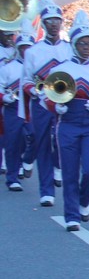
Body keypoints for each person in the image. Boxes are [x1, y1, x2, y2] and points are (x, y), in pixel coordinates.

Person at [44, 11, 89, 231]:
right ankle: (71, 215)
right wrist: (57, 106)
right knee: (70, 171)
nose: (86, 47)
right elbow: (47, 98)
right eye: (82, 43)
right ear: (74, 44)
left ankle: (84, 201)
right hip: (68, 124)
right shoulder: (60, 69)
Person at [21, 0, 73, 205]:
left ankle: (59, 167)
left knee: (62, 142)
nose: (53, 25)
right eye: (49, 21)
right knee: (43, 143)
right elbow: (25, 80)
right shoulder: (33, 52)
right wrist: (35, 91)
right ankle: (46, 190)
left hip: (67, 103)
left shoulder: (70, 49)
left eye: (56, 20)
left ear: (61, 23)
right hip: (42, 103)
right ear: (43, 23)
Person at [0, 29, 34, 191]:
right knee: (13, 141)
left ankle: (25, 161)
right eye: (23, 47)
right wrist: (4, 97)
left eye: (29, 47)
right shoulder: (8, 67)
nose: (26, 51)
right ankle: (12, 177)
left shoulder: (38, 66)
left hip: (33, 106)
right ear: (18, 48)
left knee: (34, 136)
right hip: (13, 107)